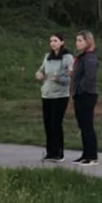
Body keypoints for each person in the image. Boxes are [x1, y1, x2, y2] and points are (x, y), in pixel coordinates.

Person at [35, 33, 74, 162]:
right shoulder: (48, 56)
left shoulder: (67, 57)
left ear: (62, 42)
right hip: (47, 94)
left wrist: (59, 79)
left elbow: (71, 77)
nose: (53, 43)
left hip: (60, 95)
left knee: (56, 123)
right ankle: (50, 152)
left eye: (55, 41)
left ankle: (59, 152)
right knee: (48, 123)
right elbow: (41, 70)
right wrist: (39, 74)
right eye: (51, 41)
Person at [71, 30, 100, 166]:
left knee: (87, 126)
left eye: (80, 40)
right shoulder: (82, 57)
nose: (77, 43)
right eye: (76, 40)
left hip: (87, 95)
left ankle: (92, 156)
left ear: (88, 41)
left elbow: (90, 77)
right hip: (79, 95)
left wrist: (80, 89)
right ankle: (85, 154)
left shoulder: (90, 57)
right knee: (82, 126)